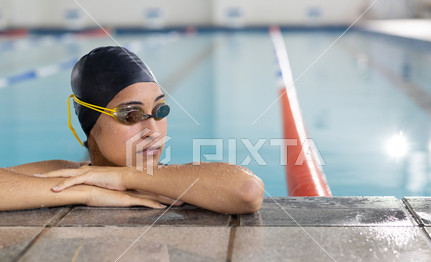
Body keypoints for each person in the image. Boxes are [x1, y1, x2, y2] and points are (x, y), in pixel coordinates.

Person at [0, 46, 264, 214]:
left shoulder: (172, 180)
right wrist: (88, 193)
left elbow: (247, 191)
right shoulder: (65, 174)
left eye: (160, 111)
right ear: (91, 125)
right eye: (131, 115)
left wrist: (126, 178)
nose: (153, 130)